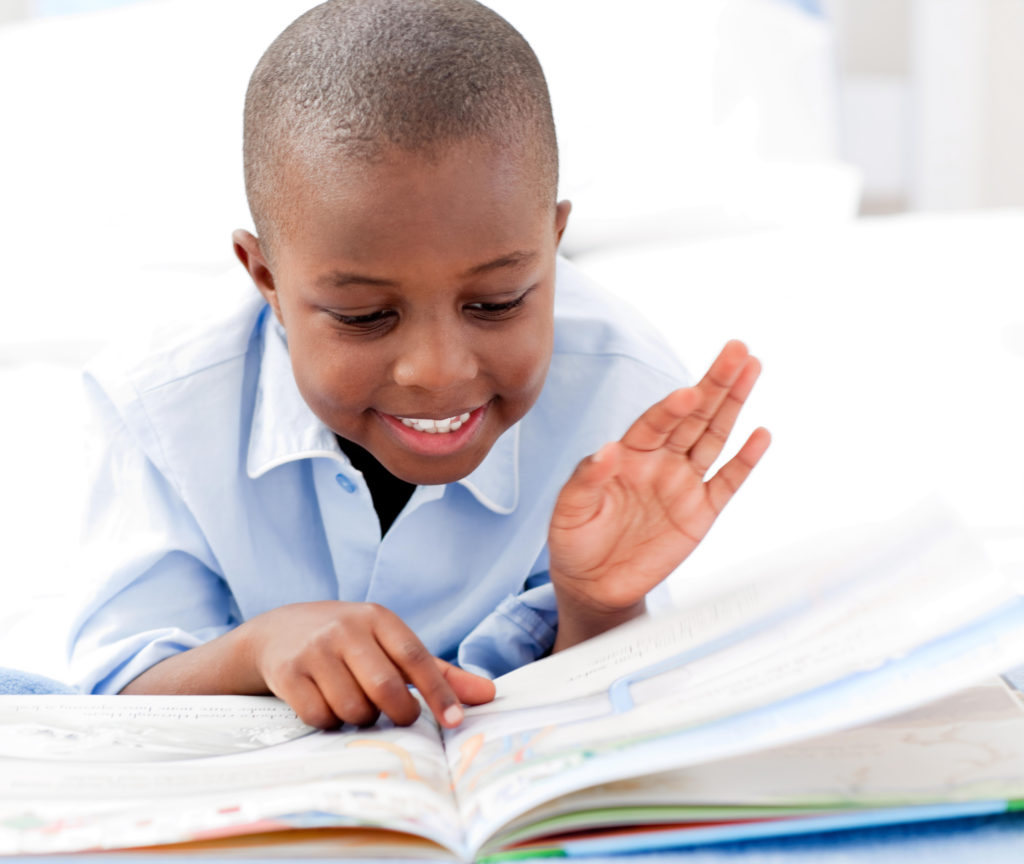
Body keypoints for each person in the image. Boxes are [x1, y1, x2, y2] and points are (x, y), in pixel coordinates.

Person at [67, 0, 770, 730]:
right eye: (365, 316)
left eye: (497, 302)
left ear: (554, 244)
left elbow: (613, 704)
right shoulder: (156, 405)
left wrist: (600, 605)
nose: (436, 372)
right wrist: (256, 650)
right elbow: (113, 694)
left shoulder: (625, 398)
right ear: (266, 279)